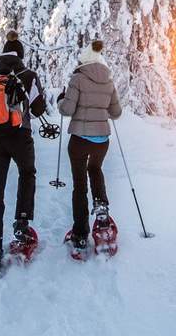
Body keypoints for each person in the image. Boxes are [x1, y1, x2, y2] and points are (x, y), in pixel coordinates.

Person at [0, 33, 47, 269]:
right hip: (21, 137)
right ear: (20, 56)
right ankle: (22, 226)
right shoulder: (29, 75)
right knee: (27, 174)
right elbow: (38, 109)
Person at [57, 40, 122, 249]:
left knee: (79, 185)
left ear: (84, 60)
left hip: (79, 140)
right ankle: (102, 211)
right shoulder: (109, 81)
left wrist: (60, 100)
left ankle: (80, 233)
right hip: (101, 141)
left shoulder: (78, 78)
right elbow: (116, 113)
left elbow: (66, 109)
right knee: (95, 169)